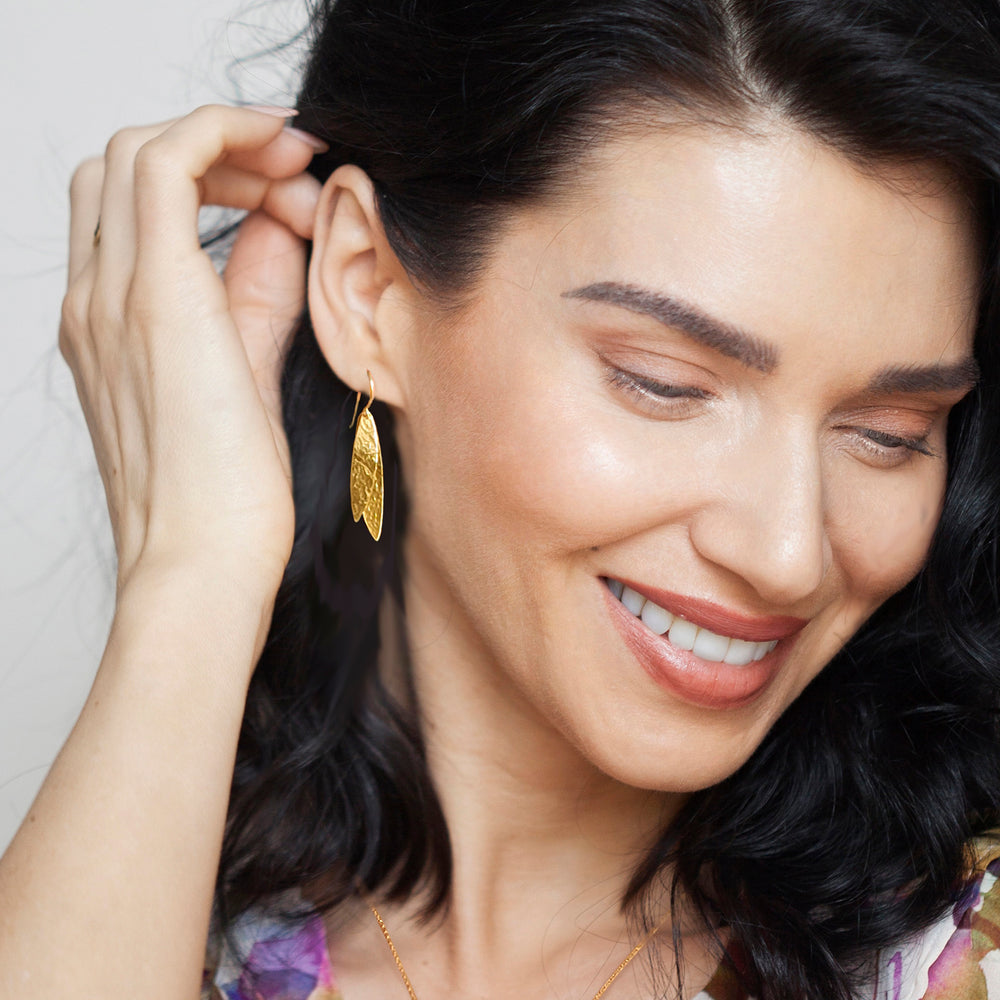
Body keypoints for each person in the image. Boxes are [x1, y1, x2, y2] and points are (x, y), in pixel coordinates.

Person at [3, 0, 1000, 997]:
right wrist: (193, 574)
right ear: (367, 288)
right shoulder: (131, 906)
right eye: (663, 383)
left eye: (889, 433)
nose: (787, 553)